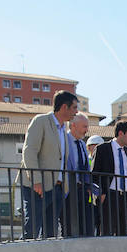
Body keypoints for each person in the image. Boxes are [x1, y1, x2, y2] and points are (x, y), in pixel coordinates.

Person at [17, 90, 78, 239]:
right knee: (32, 228)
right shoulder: (41, 121)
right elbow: (29, 152)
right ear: (64, 107)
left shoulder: (63, 129)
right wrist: (36, 181)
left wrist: (63, 185)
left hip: (57, 187)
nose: (76, 112)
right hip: (38, 187)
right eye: (74, 108)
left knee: (51, 232)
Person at [92, 121, 127, 236]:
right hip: (109, 196)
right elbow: (94, 174)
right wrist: (100, 193)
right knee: (107, 231)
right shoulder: (102, 149)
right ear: (121, 133)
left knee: (123, 232)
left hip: (126, 197)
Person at [62, 113, 96, 237]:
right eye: (84, 126)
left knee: (86, 224)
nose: (86, 130)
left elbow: (86, 167)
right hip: (67, 190)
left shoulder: (82, 144)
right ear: (73, 126)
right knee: (69, 225)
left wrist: (88, 187)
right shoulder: (63, 140)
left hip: (82, 190)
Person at [86, 134, 105, 236]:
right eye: (95, 145)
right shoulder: (87, 159)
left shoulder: (102, 161)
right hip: (88, 198)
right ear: (89, 147)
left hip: (97, 198)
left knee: (99, 223)